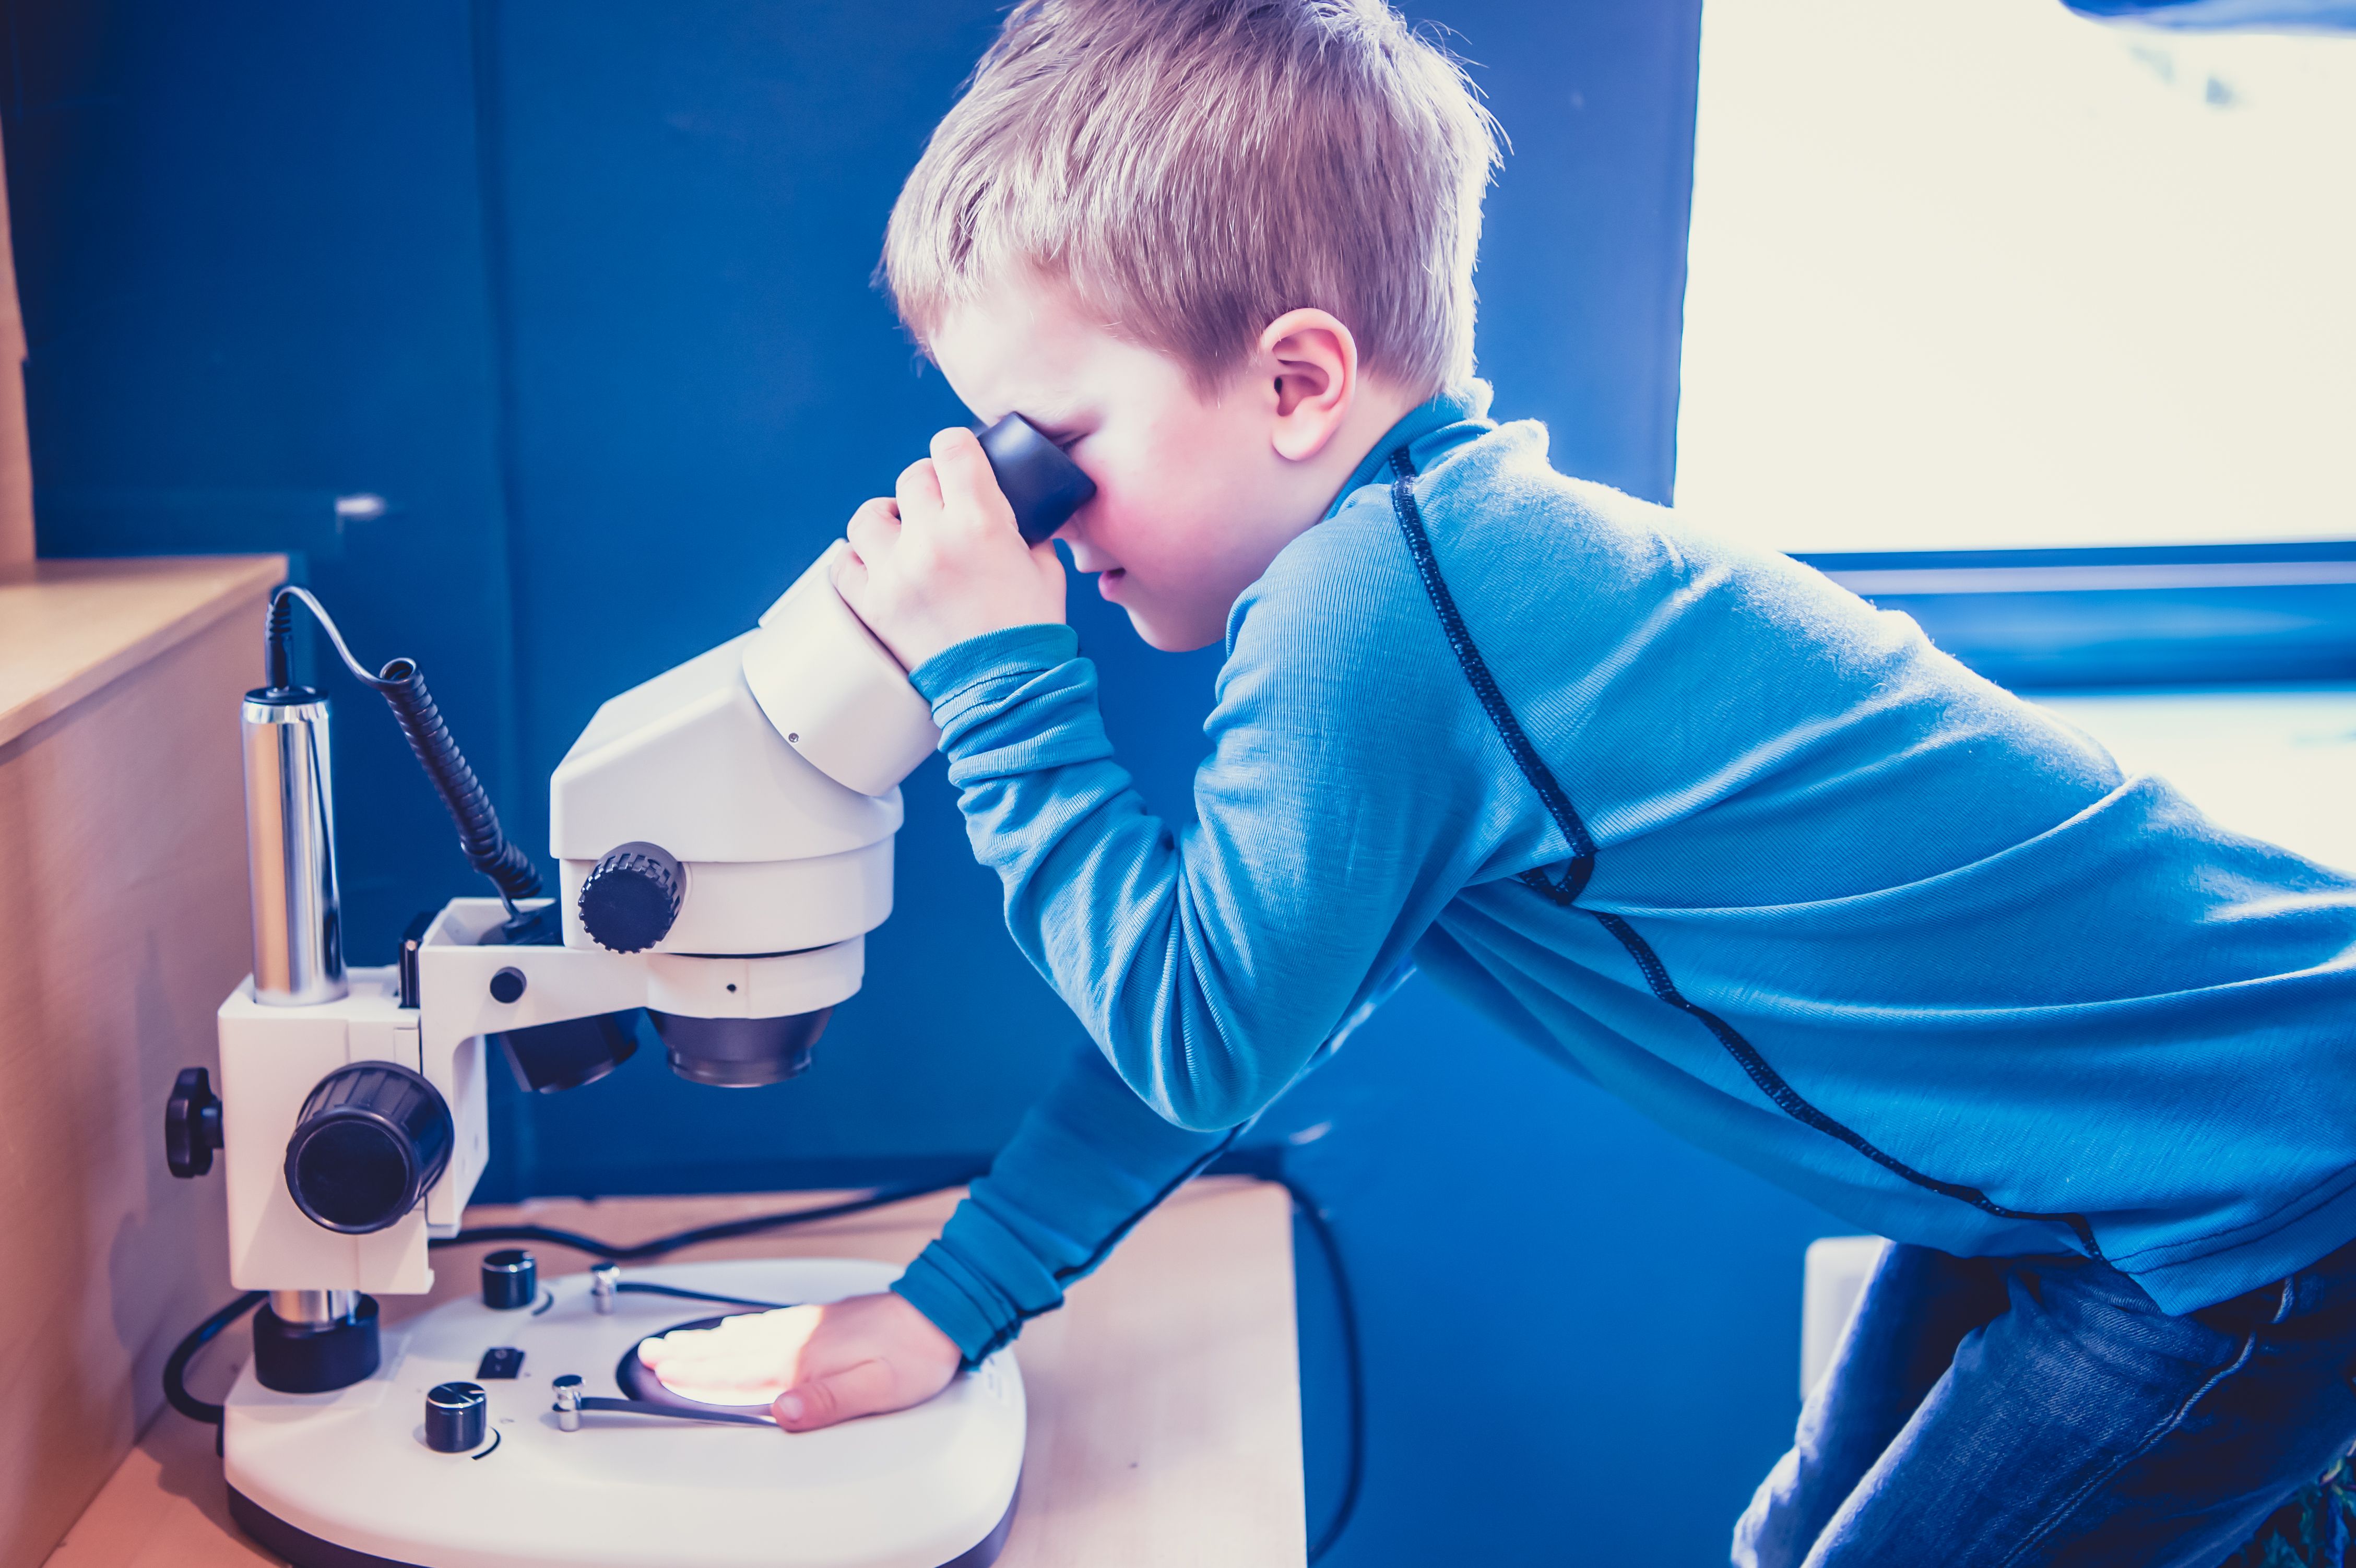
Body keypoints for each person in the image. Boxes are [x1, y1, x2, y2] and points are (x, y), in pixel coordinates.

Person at [634, 3, 2356, 1561]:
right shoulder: (1423, 581)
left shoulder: (1376, 617)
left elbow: (1197, 1030)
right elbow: (1247, 1020)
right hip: (2144, 1143)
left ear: (1297, 383)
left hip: (2254, 1178)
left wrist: (994, 680)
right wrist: (955, 1300)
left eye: (1051, 449)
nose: (1035, 516)